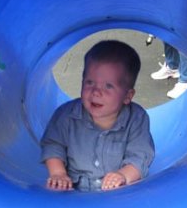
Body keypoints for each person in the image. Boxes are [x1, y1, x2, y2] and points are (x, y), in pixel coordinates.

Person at [41, 40, 155, 192]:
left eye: (108, 86)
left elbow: (140, 156)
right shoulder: (66, 116)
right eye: (89, 82)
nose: (96, 92)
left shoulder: (136, 119)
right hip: (74, 192)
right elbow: (53, 144)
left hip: (116, 194)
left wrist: (123, 175)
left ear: (127, 96)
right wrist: (58, 173)